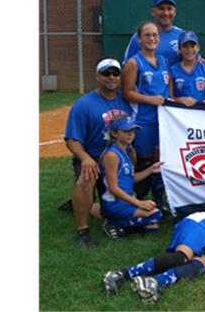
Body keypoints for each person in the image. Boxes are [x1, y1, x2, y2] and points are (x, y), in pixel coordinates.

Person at [102, 174, 205, 304]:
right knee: (182, 257)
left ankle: (154, 282)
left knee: (198, 266)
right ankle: (122, 274)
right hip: (198, 226)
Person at [61, 56, 134, 248]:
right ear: (97, 76)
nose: (111, 77)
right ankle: (83, 230)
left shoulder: (126, 100)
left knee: (110, 211)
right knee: (87, 179)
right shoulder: (83, 104)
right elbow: (72, 140)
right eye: (106, 73)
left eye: (115, 73)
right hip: (92, 155)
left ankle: (79, 203)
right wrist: (85, 158)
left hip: (117, 156)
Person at [122, 21, 171, 216]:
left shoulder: (164, 60)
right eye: (147, 35)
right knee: (144, 161)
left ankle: (158, 203)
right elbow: (126, 92)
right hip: (143, 121)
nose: (152, 38)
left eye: (155, 35)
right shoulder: (134, 62)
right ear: (139, 39)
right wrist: (149, 99)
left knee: (159, 162)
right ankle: (141, 201)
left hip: (163, 121)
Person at [98, 115, 164, 239]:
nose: (130, 134)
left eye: (132, 130)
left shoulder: (126, 150)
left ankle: (123, 222)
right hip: (115, 203)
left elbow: (130, 178)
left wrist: (150, 170)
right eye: (125, 131)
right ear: (114, 134)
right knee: (155, 215)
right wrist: (138, 203)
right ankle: (114, 223)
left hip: (125, 201)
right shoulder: (112, 155)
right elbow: (113, 188)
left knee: (153, 228)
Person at [123, 0, 201, 68]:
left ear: (174, 12)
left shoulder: (184, 36)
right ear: (153, 12)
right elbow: (127, 66)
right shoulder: (140, 36)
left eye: (169, 9)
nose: (166, 13)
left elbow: (197, 63)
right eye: (161, 9)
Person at [169, 31, 205, 108]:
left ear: (198, 48)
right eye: (185, 46)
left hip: (203, 111)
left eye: (192, 46)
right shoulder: (172, 70)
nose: (189, 50)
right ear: (179, 49)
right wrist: (181, 100)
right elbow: (170, 97)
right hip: (181, 112)